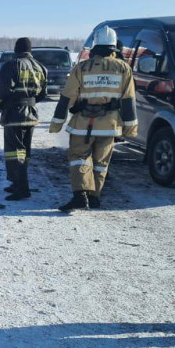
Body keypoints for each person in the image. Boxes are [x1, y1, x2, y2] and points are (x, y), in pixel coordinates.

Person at [49, 26, 138, 212]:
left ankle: (80, 195)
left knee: (79, 158)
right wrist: (130, 128)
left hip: (83, 124)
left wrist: (57, 122)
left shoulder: (82, 67)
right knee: (101, 163)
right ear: (114, 47)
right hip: (109, 126)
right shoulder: (124, 68)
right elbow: (128, 99)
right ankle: (94, 197)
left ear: (95, 46)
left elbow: (67, 96)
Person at [0, 37, 47, 200]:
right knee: (24, 152)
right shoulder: (40, 67)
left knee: (15, 153)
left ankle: (23, 189)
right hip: (30, 114)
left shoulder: (11, 65)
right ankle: (17, 183)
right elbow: (43, 93)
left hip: (14, 114)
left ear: (16, 50)